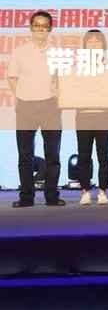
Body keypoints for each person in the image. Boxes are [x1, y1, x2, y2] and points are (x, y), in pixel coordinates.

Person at [7, 11, 64, 207]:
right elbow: (12, 77)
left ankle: (52, 196)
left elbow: (63, 79)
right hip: (26, 106)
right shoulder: (20, 51)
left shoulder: (57, 52)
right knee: (25, 155)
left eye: (44, 26)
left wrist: (59, 99)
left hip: (50, 106)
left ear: (50, 29)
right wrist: (20, 96)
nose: (40, 29)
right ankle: (26, 197)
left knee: (53, 154)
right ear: (31, 28)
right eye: (37, 25)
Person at [76, 30, 108, 206]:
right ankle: (85, 191)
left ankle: (103, 191)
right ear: (84, 45)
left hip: (104, 115)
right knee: (84, 155)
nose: (93, 44)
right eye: (90, 41)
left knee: (104, 155)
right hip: (83, 114)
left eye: (97, 41)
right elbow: (70, 89)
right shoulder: (76, 68)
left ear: (103, 45)